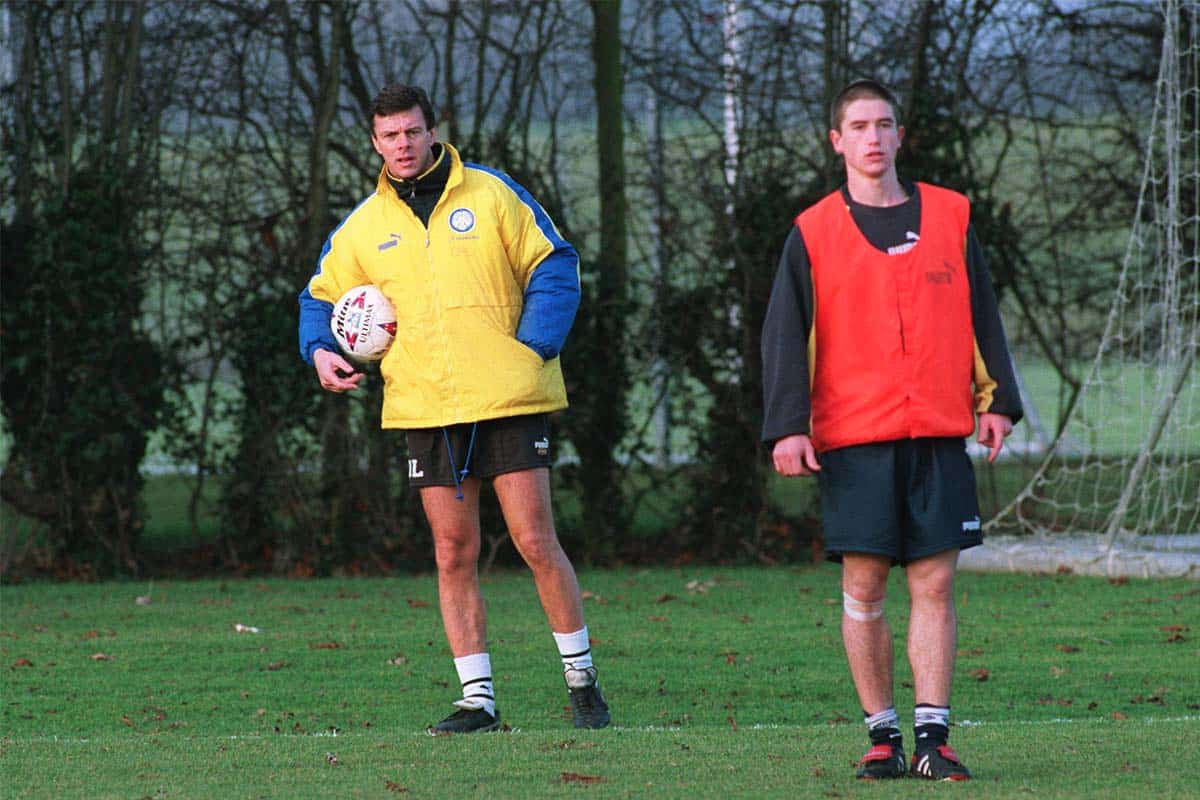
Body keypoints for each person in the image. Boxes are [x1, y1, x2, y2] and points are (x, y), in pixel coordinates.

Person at [298, 84, 609, 735]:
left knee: (533, 542)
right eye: (390, 136)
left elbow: (555, 263)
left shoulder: (492, 194)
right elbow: (319, 298)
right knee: (451, 552)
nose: (403, 146)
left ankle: (582, 683)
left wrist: (534, 346)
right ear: (375, 141)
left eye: (412, 132)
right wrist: (321, 350)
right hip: (425, 408)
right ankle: (479, 701)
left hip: (508, 397)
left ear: (431, 130)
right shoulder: (363, 227)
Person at [761, 79, 1023, 781]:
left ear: (900, 136)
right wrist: (788, 426)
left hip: (937, 431)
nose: (873, 138)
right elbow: (786, 335)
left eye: (884, 124)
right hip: (855, 436)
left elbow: (982, 315)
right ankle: (882, 736)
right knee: (867, 587)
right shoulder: (812, 231)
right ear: (837, 141)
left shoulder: (951, 216)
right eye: (858, 126)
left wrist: (997, 399)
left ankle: (935, 738)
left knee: (935, 584)